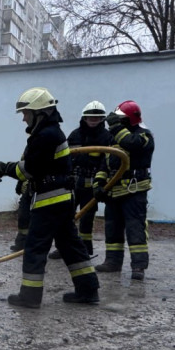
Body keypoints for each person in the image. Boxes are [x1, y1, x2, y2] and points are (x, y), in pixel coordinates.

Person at [0, 88, 99, 308]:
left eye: (26, 113)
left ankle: (30, 296)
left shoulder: (45, 136)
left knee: (35, 248)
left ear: (40, 113)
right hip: (62, 199)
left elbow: (29, 170)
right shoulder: (52, 132)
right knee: (71, 246)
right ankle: (88, 290)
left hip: (50, 201)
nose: (24, 118)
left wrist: (4, 168)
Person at [93, 100, 155, 280]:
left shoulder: (144, 136)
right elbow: (105, 164)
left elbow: (131, 143)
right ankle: (112, 262)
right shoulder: (113, 139)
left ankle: (138, 266)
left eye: (121, 120)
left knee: (135, 227)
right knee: (112, 228)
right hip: (114, 192)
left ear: (129, 120)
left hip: (134, 190)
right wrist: (99, 185)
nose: (118, 124)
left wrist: (114, 126)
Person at [49, 101, 112, 258]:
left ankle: (84, 249)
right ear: (84, 118)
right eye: (90, 117)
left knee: (86, 220)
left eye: (97, 118)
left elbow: (108, 163)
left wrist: (101, 185)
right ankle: (63, 248)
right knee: (65, 217)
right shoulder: (75, 135)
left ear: (102, 119)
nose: (93, 120)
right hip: (73, 183)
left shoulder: (107, 138)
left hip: (92, 186)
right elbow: (65, 158)